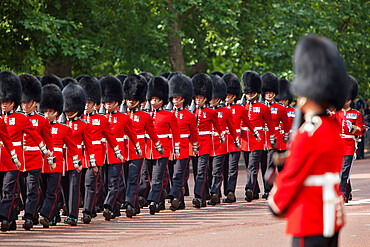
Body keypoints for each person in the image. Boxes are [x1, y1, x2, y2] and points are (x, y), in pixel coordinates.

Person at [267, 35, 347, 246]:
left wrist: (275, 202)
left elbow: (294, 175)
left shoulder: (309, 133)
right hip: (331, 215)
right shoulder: (332, 127)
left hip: (309, 217)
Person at [0, 70, 49, 231]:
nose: (4, 103)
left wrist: (45, 151)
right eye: (3, 101)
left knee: (15, 189)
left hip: (16, 158)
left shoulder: (21, 118)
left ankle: (23, 216)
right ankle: (11, 218)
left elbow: (35, 135)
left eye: (7, 100)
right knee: (11, 192)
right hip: (4, 158)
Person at [39, 84, 81, 228]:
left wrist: (77, 162)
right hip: (42, 162)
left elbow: (72, 146)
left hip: (57, 162)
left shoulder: (63, 128)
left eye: (50, 111)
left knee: (53, 190)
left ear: (56, 112)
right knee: (45, 190)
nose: (47, 114)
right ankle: (53, 215)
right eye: (45, 111)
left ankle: (46, 215)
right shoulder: (40, 126)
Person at [123, 74, 163, 217]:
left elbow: (151, 132)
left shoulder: (145, 116)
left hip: (137, 150)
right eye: (129, 99)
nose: (131, 102)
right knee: (125, 179)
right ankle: (133, 205)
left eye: (134, 100)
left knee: (134, 178)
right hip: (123, 150)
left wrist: (158, 145)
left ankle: (129, 203)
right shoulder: (122, 115)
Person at [19, 74, 55, 230]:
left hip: (34, 157)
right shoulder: (16, 117)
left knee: (32, 189)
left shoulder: (41, 120)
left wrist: (50, 158)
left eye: (28, 102)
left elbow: (49, 141)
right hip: (19, 159)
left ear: (35, 103)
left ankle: (28, 216)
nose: (25, 105)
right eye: (23, 102)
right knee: (21, 190)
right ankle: (29, 214)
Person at [62, 80, 96, 226]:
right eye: (67, 109)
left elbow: (89, 145)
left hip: (77, 160)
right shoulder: (61, 123)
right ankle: (66, 211)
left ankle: (73, 215)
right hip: (62, 160)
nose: (69, 112)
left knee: (74, 187)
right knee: (64, 188)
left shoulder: (83, 125)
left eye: (71, 109)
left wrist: (93, 163)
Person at [145, 76, 181, 215]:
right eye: (152, 98)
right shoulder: (147, 115)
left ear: (161, 100)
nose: (153, 101)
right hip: (149, 150)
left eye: (156, 99)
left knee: (157, 177)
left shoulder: (169, 115)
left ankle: (153, 201)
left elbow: (176, 133)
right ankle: (160, 202)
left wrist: (176, 148)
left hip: (163, 149)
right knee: (150, 177)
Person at [222, 73, 259, 203]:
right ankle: (223, 191)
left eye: (230, 95)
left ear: (234, 95)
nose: (227, 97)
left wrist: (255, 133)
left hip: (235, 142)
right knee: (223, 169)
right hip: (221, 143)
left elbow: (248, 123)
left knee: (232, 168)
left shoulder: (240, 109)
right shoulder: (218, 110)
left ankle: (230, 192)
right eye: (226, 94)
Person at [240, 71, 275, 202]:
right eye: (247, 92)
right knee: (249, 164)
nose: (249, 95)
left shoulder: (263, 107)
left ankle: (249, 188)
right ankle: (254, 190)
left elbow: (270, 125)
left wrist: (272, 137)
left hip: (257, 140)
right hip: (245, 140)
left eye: (251, 92)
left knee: (252, 166)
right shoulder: (242, 107)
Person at [191, 73, 224, 208]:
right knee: (197, 171)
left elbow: (217, 126)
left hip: (205, 143)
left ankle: (198, 196)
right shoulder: (191, 112)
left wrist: (221, 136)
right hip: (193, 144)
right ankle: (203, 196)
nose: (198, 100)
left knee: (201, 171)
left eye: (200, 97)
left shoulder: (210, 112)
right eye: (196, 97)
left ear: (205, 98)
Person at [207, 74, 240, 205]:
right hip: (210, 143)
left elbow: (232, 127)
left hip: (225, 143)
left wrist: (237, 140)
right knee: (211, 170)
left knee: (225, 170)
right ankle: (215, 193)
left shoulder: (228, 110)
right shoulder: (205, 111)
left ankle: (226, 191)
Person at [167, 74, 198, 210]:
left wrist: (195, 147)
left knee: (178, 175)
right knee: (172, 174)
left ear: (183, 99)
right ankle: (179, 201)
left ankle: (173, 196)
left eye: (178, 98)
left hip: (184, 148)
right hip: (170, 148)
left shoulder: (189, 115)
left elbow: (194, 133)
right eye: (174, 97)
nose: (175, 100)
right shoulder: (168, 114)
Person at [332, 75, 364, 202]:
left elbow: (361, 130)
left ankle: (342, 194)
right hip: (337, 144)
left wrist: (353, 128)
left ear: (349, 100)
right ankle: (348, 191)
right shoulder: (336, 112)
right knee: (340, 171)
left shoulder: (356, 114)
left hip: (349, 144)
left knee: (345, 171)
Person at [259, 72, 290, 199]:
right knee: (263, 164)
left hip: (275, 138)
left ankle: (269, 189)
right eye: (267, 93)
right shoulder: (259, 107)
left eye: (271, 93)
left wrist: (286, 136)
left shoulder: (281, 108)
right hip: (262, 138)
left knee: (271, 164)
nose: (269, 95)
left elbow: (286, 124)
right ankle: (267, 186)